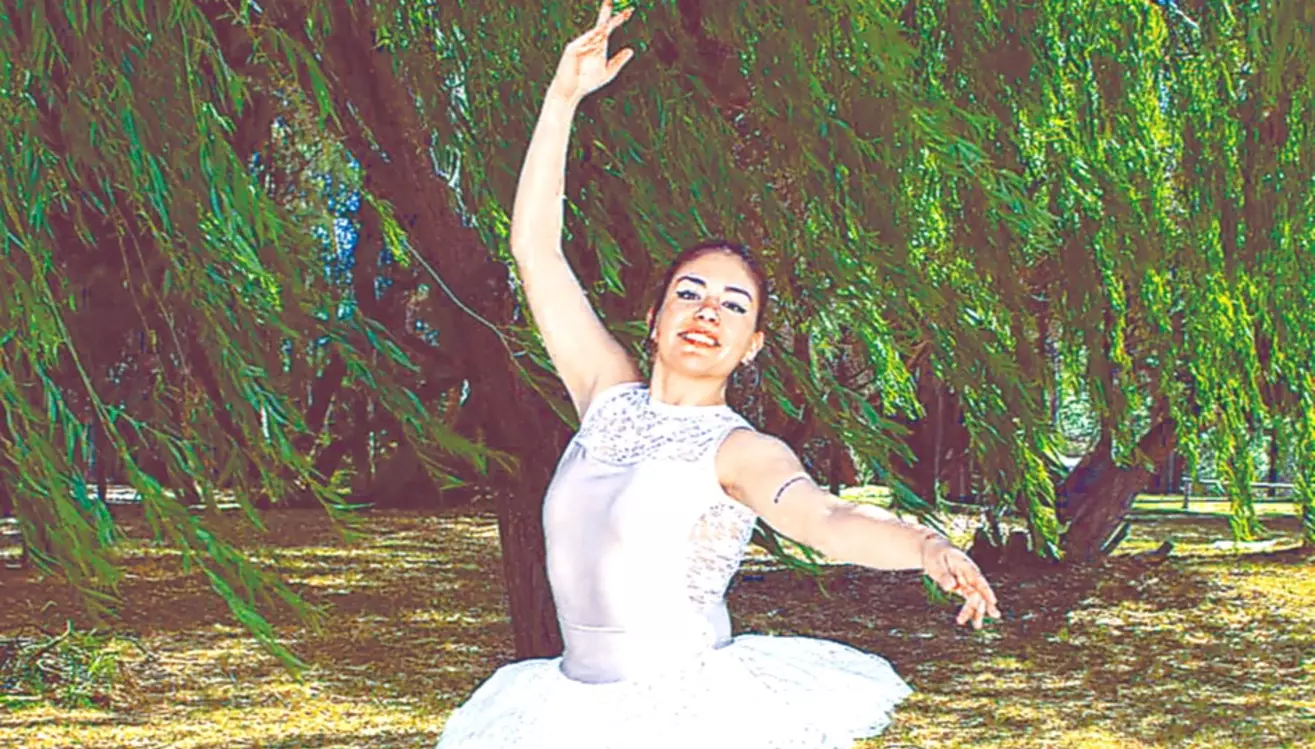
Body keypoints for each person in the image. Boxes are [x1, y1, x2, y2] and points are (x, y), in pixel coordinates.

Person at [437, 3, 1001, 747]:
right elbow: (535, 252)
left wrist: (926, 547)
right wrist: (563, 97)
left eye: (733, 306)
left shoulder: (740, 451)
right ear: (654, 318)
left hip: (683, 716)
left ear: (752, 345)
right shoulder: (605, 395)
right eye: (689, 293)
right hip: (567, 711)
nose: (707, 312)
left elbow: (826, 520)